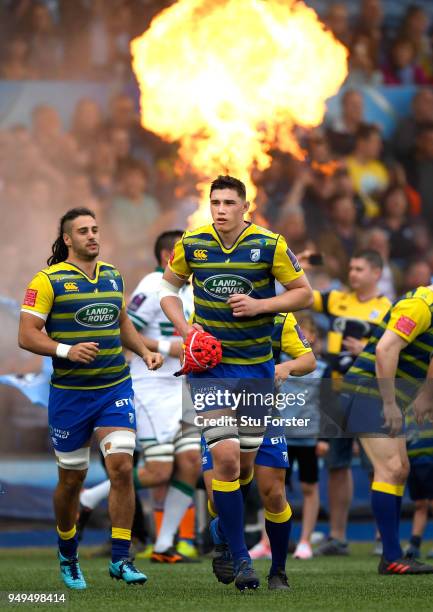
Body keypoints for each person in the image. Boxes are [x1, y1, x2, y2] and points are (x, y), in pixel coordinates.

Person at [159, 174, 313, 591]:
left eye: (229, 202)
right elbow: (168, 289)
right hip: (212, 372)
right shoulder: (192, 244)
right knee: (225, 460)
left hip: (256, 370)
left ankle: (244, 547)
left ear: (246, 206)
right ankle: (242, 560)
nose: (221, 209)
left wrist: (262, 304)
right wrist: (185, 328)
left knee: (249, 472)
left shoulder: (270, 244)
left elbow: (304, 294)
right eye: (215, 202)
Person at [18, 207, 163, 590]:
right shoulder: (47, 281)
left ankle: (120, 558)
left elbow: (122, 322)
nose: (92, 236)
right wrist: (66, 351)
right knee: (71, 480)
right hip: (70, 397)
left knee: (120, 467)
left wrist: (145, 351)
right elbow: (27, 334)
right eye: (83, 231)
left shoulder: (113, 275)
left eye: (95, 229)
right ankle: (68, 553)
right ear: (68, 239)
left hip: (114, 387)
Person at [78, 230, 201, 562]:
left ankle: (163, 545)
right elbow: (124, 331)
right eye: (187, 251)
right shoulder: (152, 285)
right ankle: (89, 497)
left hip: (183, 386)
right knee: (159, 470)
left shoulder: (194, 289)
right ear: (167, 257)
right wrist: (169, 347)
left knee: (190, 463)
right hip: (149, 386)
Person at [202, 311, 316, 586]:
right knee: (219, 498)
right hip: (220, 409)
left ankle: (278, 571)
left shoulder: (281, 317)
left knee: (274, 493)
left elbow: (309, 359)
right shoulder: (207, 310)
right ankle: (233, 547)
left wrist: (286, 367)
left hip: (262, 410)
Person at [343, 284, 433, 574]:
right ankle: (392, 557)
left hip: (375, 392)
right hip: (367, 391)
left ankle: (392, 556)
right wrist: (390, 402)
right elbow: (385, 348)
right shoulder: (421, 304)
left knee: (399, 468)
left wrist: (424, 395)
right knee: (391, 468)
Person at [308, 250, 391, 556]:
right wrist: (301, 267)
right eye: (351, 268)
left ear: (377, 273)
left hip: (368, 394)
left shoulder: (388, 310)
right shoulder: (336, 299)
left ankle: (384, 536)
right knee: (336, 465)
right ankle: (337, 536)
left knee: (376, 467)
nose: (353, 273)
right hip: (333, 391)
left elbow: (394, 348)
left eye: (359, 268)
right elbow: (303, 296)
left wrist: (367, 350)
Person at [403, 411, 433, 560]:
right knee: (420, 504)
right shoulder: (408, 407)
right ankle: (414, 544)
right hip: (414, 462)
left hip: (430, 460)